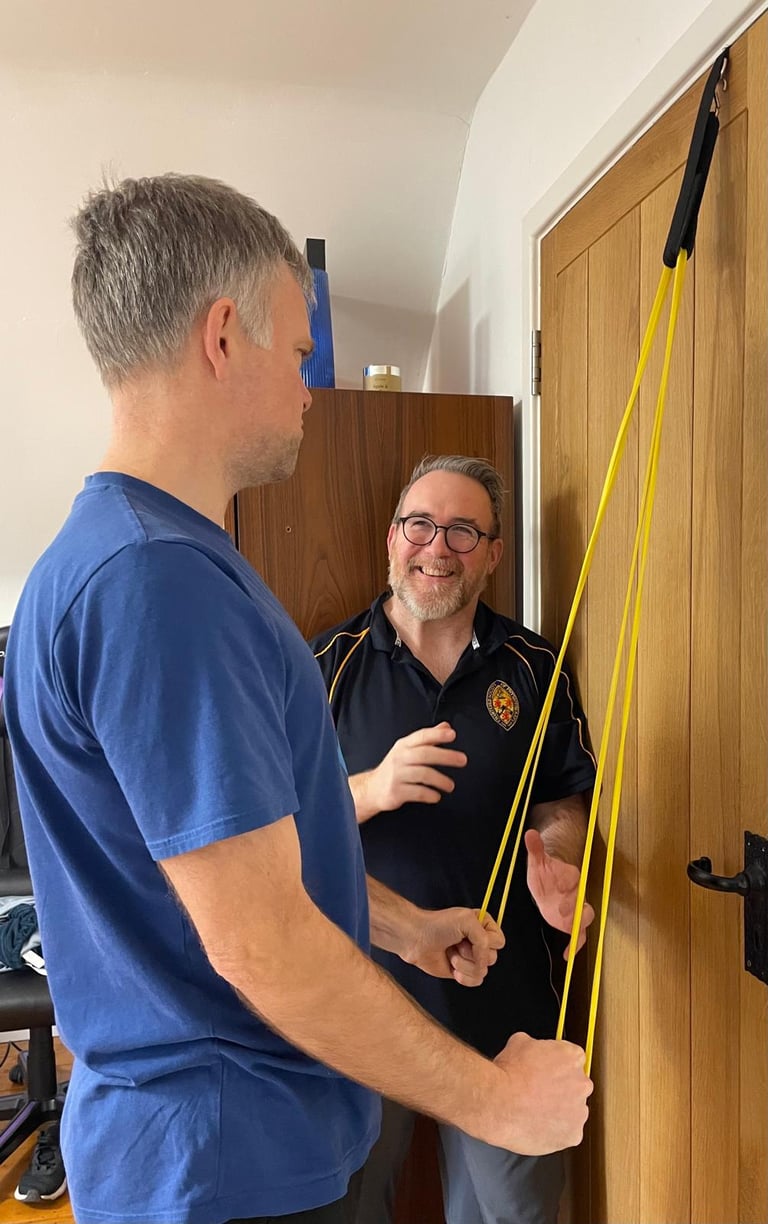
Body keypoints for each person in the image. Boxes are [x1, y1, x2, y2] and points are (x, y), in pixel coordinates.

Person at [4, 176, 592, 1224]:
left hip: (220, 1151)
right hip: (221, 1159)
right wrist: (498, 1101)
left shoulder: (131, 560)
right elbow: (261, 940)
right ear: (223, 335)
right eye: (300, 350)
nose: (310, 388)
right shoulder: (157, 583)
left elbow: (239, 874)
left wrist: (404, 929)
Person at [311, 455, 598, 1224]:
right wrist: (372, 788)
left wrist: (560, 858)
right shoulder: (323, 666)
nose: (438, 547)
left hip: (505, 999)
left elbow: (562, 798)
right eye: (421, 525)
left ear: (494, 553)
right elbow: (275, 830)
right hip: (363, 1002)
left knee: (513, 1213)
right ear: (391, 539)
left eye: (464, 531)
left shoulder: (535, 666)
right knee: (349, 1207)